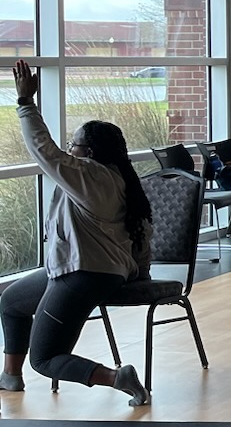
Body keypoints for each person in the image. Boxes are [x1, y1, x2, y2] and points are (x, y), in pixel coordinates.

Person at [0, 60, 150, 405]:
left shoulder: (91, 177)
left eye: (75, 145)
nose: (70, 151)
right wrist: (141, 270)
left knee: (45, 358)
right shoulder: (121, 178)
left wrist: (26, 104)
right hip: (86, 270)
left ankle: (117, 378)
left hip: (85, 274)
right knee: (11, 302)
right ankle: (10, 377)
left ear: (89, 153)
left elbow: (44, 151)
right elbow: (142, 232)